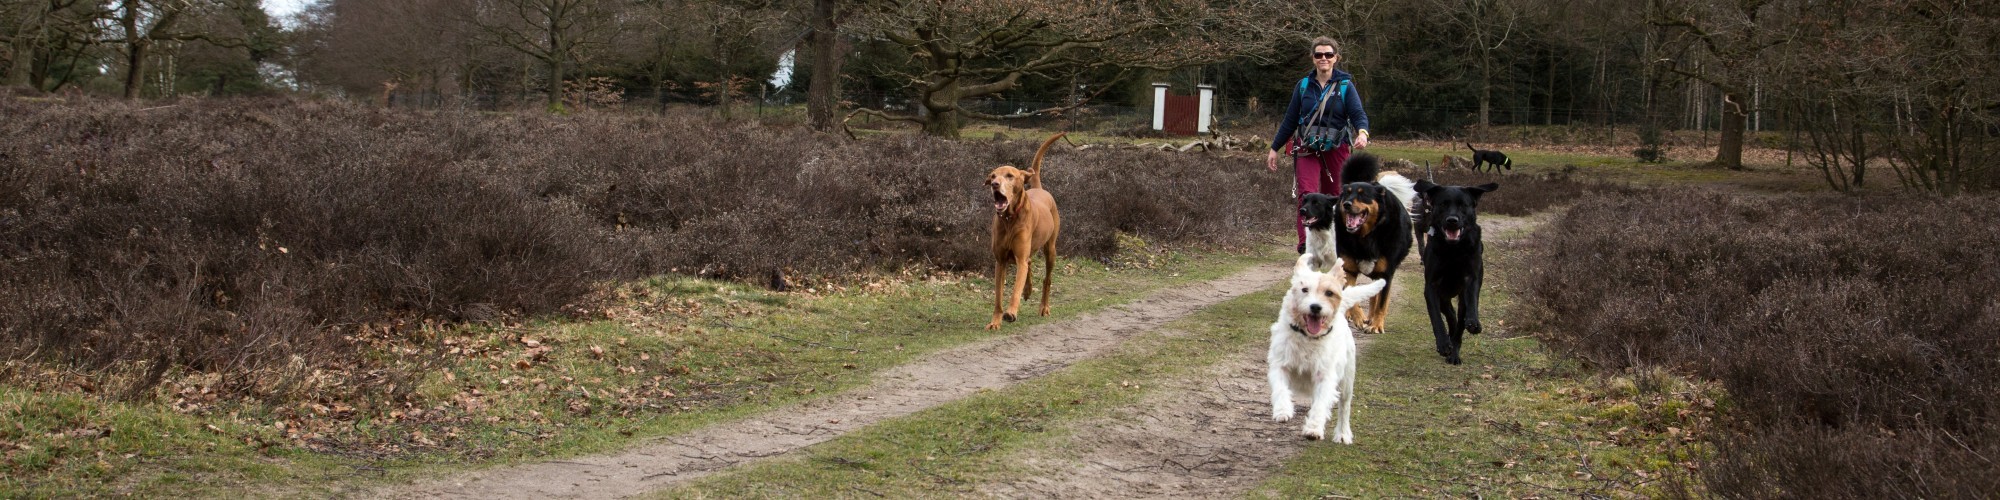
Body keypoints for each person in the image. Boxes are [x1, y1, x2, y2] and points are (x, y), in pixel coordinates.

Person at [1267, 36, 1370, 254]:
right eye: (1319, 55)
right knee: (1307, 195)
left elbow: (1358, 114)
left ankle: (1335, 243)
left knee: (1337, 196)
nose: (1323, 58)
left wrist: (1362, 133)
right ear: (1313, 58)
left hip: (1336, 148)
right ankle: (1307, 245)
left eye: (1328, 55)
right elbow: (1290, 119)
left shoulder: (1345, 86)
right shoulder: (1303, 86)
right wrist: (1274, 148)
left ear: (1336, 58)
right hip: (1306, 148)